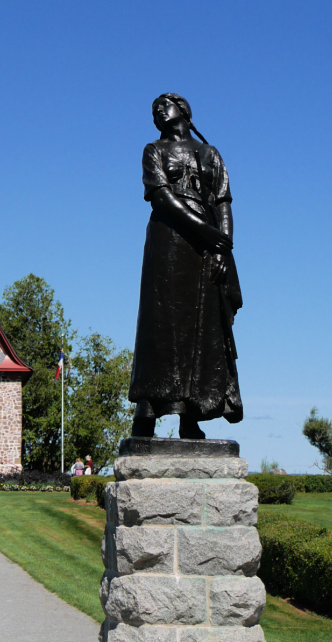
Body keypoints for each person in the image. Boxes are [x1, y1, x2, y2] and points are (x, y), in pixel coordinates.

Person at [129, 94, 243, 439]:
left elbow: (223, 203)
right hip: (169, 242)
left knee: (203, 327)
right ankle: (146, 411)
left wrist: (222, 248)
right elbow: (161, 196)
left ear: (185, 111)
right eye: (155, 108)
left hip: (206, 249)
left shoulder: (211, 154)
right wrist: (206, 231)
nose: (159, 109)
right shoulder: (153, 151)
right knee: (161, 325)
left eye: (166, 104)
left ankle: (190, 415)